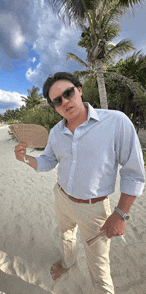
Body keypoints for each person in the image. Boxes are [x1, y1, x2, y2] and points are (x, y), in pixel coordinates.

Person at [14, 72, 145, 294]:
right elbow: (47, 161)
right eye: (57, 100)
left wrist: (120, 214)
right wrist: (25, 158)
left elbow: (134, 173)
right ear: (53, 106)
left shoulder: (115, 122)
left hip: (94, 209)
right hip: (62, 197)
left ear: (79, 90)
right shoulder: (56, 132)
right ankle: (68, 263)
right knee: (65, 234)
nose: (65, 101)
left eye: (68, 93)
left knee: (99, 267)